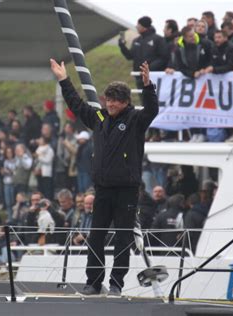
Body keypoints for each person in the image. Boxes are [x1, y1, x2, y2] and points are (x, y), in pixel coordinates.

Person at [50, 58, 158, 296]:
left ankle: (116, 283)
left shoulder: (135, 120)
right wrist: (64, 80)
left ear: (125, 102)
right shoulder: (99, 119)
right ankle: (93, 281)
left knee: (122, 239)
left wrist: (148, 87)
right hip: (103, 189)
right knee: (96, 237)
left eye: (115, 101)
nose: (109, 104)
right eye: (107, 100)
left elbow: (152, 110)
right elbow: (77, 105)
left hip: (127, 190)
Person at [118, 16, 168, 88]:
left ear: (144, 26)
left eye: (138, 24)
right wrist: (122, 46)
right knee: (143, 98)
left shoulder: (158, 39)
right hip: (139, 77)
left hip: (153, 77)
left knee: (152, 98)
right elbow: (129, 56)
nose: (136, 26)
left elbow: (163, 57)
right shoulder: (137, 40)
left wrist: (149, 68)